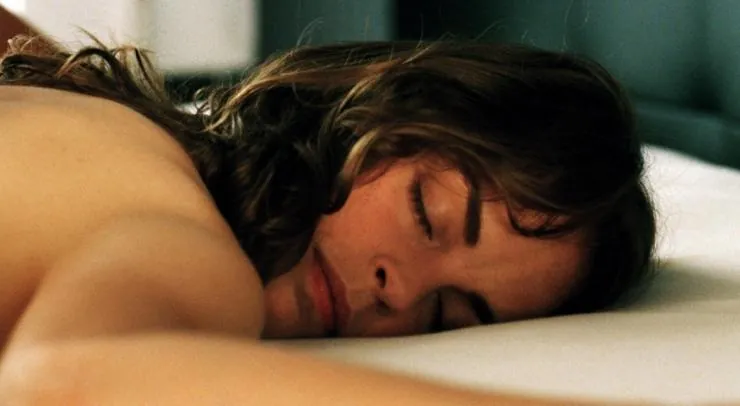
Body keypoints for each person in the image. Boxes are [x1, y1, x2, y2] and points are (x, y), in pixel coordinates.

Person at [0, 35, 655, 405]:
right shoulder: (190, 239)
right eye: (425, 216)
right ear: (364, 114)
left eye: (446, 315)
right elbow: (64, 381)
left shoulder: (105, 124)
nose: (400, 292)